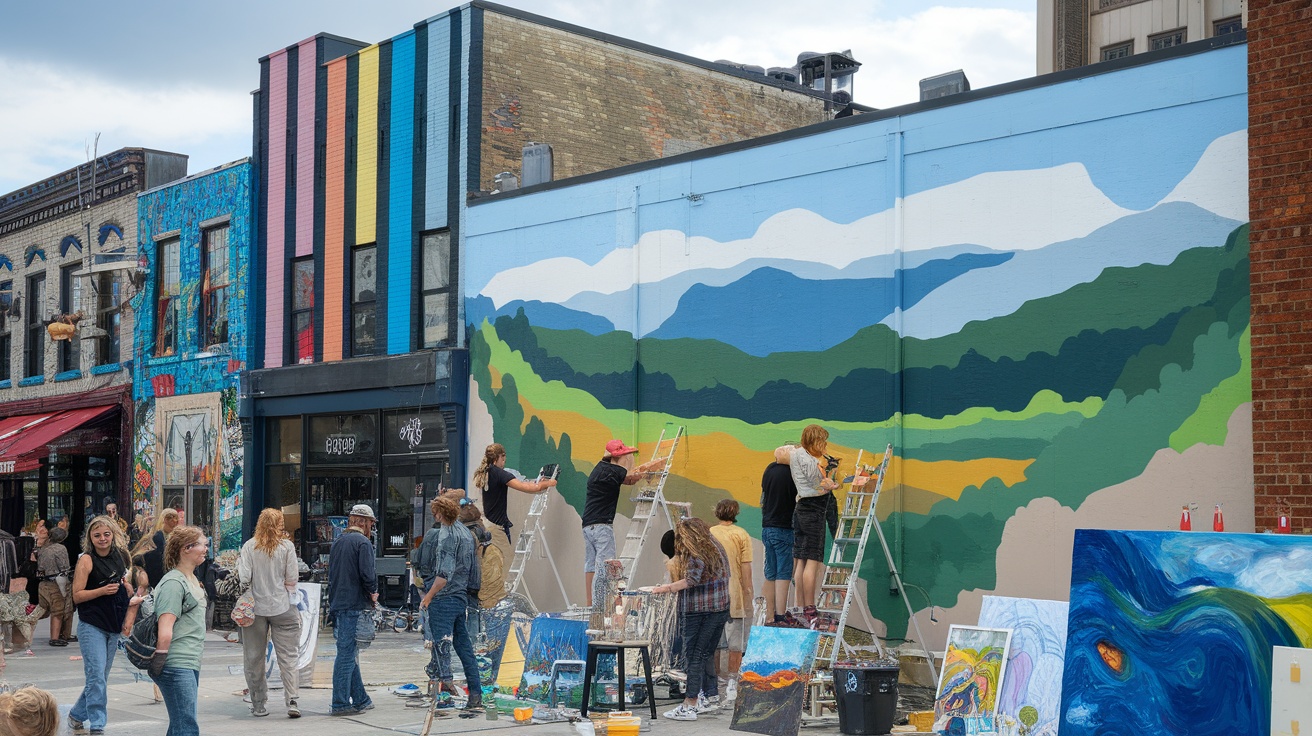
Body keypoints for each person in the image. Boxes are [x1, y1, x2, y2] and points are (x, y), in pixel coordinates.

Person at [649, 517, 730, 721]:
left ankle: (690, 704)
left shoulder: (696, 552)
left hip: (699, 610)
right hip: (719, 608)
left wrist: (663, 589)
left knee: (693, 656)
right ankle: (707, 697)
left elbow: (692, 580)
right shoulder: (714, 544)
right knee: (705, 654)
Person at [68, 515, 136, 736]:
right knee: (95, 675)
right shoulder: (86, 560)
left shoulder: (120, 556)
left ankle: (77, 714)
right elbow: (76, 596)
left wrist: (126, 588)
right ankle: (98, 724)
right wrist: (101, 591)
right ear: (90, 538)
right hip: (92, 624)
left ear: (113, 534)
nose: (102, 539)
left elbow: (122, 580)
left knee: (100, 678)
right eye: (97, 535)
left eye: (106, 534)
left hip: (113, 623)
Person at [582, 439, 666, 606]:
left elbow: (628, 479)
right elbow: (631, 478)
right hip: (601, 525)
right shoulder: (612, 470)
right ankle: (600, 605)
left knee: (591, 564)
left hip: (588, 525)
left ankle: (590, 603)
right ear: (618, 457)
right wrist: (653, 467)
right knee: (605, 567)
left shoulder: (601, 469)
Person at [418, 496, 483, 712]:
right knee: (464, 648)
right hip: (460, 597)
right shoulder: (467, 533)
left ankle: (443, 697)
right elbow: (474, 572)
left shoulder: (446, 535)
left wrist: (428, 597)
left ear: (439, 513)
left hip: (444, 597)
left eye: (435, 513)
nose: (434, 516)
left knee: (440, 647)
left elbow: (444, 574)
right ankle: (475, 693)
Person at [239, 508, 303, 719]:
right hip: (283, 607)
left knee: (254, 657)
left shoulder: (249, 546)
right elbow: (292, 578)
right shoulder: (287, 547)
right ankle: (292, 699)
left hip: (255, 608)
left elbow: (244, 576)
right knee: (289, 655)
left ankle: (259, 704)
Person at [149, 525, 210, 736]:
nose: (206, 549)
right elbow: (165, 627)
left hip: (188, 662)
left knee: (180, 726)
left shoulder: (190, 579)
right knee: (186, 728)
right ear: (186, 548)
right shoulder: (174, 583)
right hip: (176, 664)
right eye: (203, 545)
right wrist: (159, 662)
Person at [472, 443, 557, 585]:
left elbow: (525, 483)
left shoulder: (487, 472)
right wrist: (547, 484)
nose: (504, 463)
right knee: (507, 563)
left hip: (488, 524)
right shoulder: (499, 473)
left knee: (494, 563)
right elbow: (526, 487)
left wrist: (537, 483)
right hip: (496, 528)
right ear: (500, 457)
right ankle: (501, 600)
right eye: (504, 460)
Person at [779, 425, 839, 624]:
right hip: (815, 508)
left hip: (801, 507)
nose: (826, 445)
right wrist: (833, 482)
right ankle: (810, 607)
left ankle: (800, 605)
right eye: (823, 442)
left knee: (801, 558)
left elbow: (779, 454)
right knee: (813, 560)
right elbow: (820, 486)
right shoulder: (810, 460)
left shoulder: (796, 454)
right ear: (816, 442)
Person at [327, 504, 378, 716]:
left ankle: (360, 699)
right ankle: (339, 703)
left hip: (339, 602)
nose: (371, 528)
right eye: (371, 523)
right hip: (354, 604)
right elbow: (368, 575)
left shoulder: (338, 541)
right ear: (364, 522)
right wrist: (373, 592)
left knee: (349, 652)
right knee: (347, 655)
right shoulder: (363, 543)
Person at [709, 499, 754, 701]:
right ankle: (733, 683)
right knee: (736, 642)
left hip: (713, 594)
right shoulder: (741, 534)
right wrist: (748, 591)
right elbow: (746, 567)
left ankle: (717, 682)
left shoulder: (709, 533)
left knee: (717, 642)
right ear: (735, 513)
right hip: (734, 593)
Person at [760, 446, 799, 626]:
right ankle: (780, 615)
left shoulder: (769, 469)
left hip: (767, 525)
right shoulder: (792, 473)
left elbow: (763, 497)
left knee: (771, 572)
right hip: (784, 527)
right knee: (784, 571)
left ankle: (767, 614)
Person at [33, 522, 70, 647]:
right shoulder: (61, 549)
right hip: (55, 583)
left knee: (42, 610)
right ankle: (54, 638)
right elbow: (64, 567)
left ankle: (23, 626)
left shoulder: (43, 548)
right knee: (57, 611)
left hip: (42, 583)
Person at [137, 508, 181, 588]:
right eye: (174, 520)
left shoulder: (168, 536)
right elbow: (156, 565)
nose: (176, 524)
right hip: (159, 581)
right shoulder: (157, 538)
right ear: (166, 520)